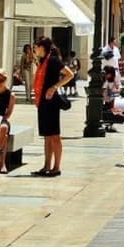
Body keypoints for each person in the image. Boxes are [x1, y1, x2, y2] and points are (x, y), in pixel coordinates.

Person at [33, 37, 74, 177]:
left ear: (42, 47)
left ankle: (56, 167)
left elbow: (70, 74)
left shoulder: (53, 60)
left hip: (51, 102)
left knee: (54, 135)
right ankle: (46, 166)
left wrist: (54, 87)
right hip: (42, 102)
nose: (34, 49)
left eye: (36, 46)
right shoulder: (42, 61)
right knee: (47, 136)